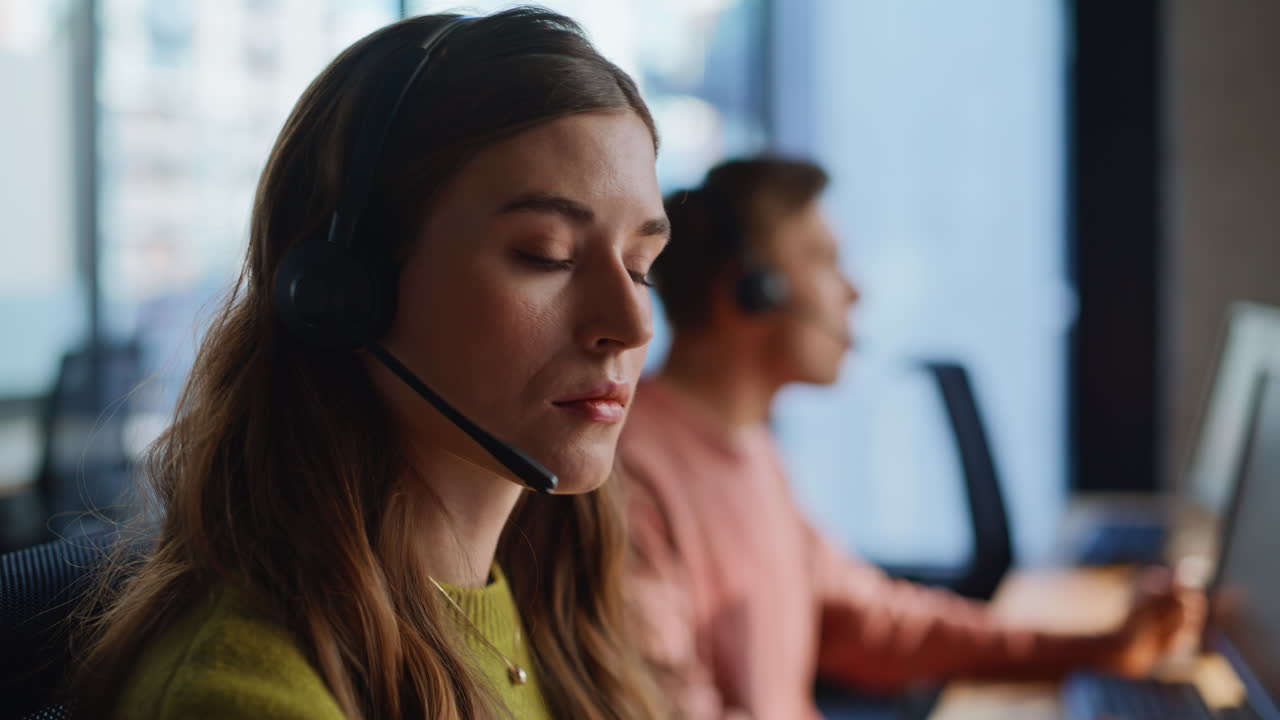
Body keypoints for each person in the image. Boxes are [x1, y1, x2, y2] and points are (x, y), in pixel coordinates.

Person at [73, 9, 671, 720]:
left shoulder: (557, 613)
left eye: (640, 266)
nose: (631, 324)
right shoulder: (248, 695)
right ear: (343, 291)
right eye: (546, 255)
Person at [619, 156, 1187, 719]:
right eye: (826, 260)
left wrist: (1095, 647)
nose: (854, 292)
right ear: (750, 291)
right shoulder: (633, 476)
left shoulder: (749, 446)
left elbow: (870, 624)